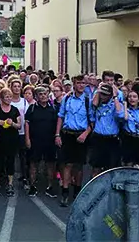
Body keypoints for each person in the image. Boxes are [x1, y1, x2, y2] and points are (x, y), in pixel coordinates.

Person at [55, 75, 90, 207]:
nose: (81, 85)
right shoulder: (67, 98)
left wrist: (85, 134)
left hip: (81, 135)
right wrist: (57, 134)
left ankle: (77, 191)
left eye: (83, 83)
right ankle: (65, 192)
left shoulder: (88, 100)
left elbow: (92, 121)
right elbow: (61, 116)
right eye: (78, 83)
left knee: (79, 165)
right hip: (68, 134)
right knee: (67, 164)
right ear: (74, 84)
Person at [25, 86, 58, 198]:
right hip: (35, 140)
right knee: (34, 164)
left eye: (45, 94)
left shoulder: (53, 108)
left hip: (50, 141)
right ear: (37, 96)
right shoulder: (32, 108)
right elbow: (27, 124)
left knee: (50, 164)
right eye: (40, 94)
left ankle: (50, 186)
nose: (43, 96)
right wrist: (27, 139)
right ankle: (32, 186)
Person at [0, 88, 22, 197]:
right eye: (7, 97)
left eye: (10, 97)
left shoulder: (14, 110)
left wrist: (13, 123)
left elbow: (19, 125)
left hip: (12, 139)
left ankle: (10, 184)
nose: (9, 99)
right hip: (0, 139)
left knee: (10, 161)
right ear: (1, 98)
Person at [89, 83, 123, 177]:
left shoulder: (115, 105)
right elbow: (93, 105)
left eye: (105, 94)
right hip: (98, 138)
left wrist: (115, 96)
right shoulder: (96, 105)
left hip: (112, 139)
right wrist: (99, 90)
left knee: (111, 168)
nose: (102, 96)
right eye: (101, 94)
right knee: (96, 167)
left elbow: (120, 114)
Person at [9, 78, 30, 187]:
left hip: (22, 132)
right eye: (14, 86)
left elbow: (27, 118)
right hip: (10, 132)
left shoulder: (24, 102)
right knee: (11, 156)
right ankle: (9, 177)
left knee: (23, 156)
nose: (16, 88)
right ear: (11, 88)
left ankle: (24, 176)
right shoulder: (8, 101)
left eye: (18, 86)